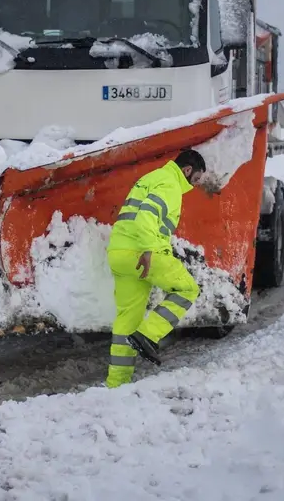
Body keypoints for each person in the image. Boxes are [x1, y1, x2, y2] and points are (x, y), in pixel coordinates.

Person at [104, 148, 207, 388]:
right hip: (142, 253)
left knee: (127, 319)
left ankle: (116, 383)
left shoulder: (151, 177)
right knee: (187, 289)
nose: (196, 184)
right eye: (196, 178)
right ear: (187, 170)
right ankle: (148, 335)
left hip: (119, 253)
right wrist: (149, 250)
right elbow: (145, 217)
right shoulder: (170, 183)